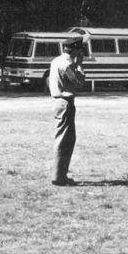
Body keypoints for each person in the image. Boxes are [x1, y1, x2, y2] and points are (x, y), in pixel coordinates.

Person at [48, 36, 86, 186]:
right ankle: (59, 176)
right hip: (65, 103)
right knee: (65, 140)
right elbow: (79, 83)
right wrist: (80, 66)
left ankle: (60, 174)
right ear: (75, 50)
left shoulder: (56, 61)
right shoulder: (67, 65)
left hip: (58, 102)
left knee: (66, 139)